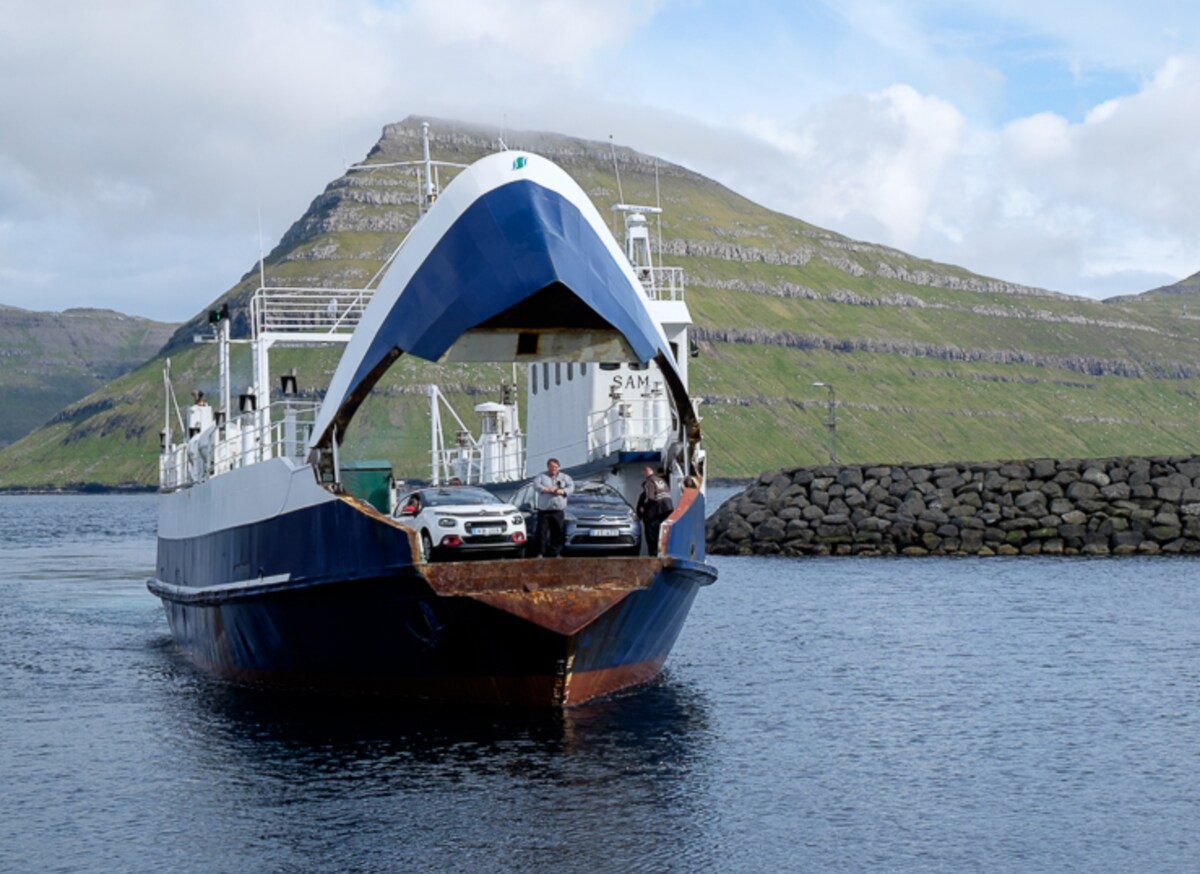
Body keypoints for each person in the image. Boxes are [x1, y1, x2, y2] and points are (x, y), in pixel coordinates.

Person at [533, 458, 574, 557]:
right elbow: (535, 485)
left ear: (559, 467)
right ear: (548, 467)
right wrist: (545, 489)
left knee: (558, 532)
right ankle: (540, 553)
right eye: (551, 467)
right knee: (542, 532)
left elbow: (571, 487)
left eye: (556, 467)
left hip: (558, 511)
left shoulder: (565, 477)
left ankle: (556, 552)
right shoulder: (541, 476)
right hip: (544, 511)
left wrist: (562, 492)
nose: (554, 469)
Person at [637, 466, 674, 556]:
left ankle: (654, 555)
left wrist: (643, 509)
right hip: (669, 508)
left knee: (653, 535)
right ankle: (666, 552)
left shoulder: (649, 482)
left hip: (658, 511)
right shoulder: (661, 480)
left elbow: (651, 498)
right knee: (665, 532)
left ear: (646, 473)